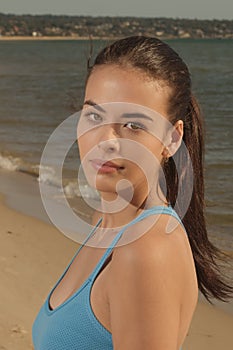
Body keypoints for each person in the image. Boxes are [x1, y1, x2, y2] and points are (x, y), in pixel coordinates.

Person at [32, 36, 233, 350]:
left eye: (133, 124)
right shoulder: (107, 224)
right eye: (94, 116)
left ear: (171, 138)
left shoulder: (146, 250)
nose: (107, 140)